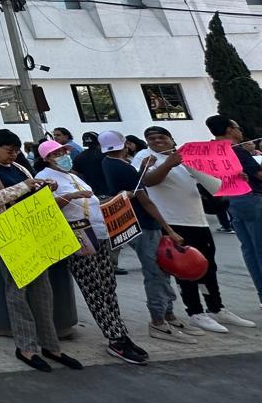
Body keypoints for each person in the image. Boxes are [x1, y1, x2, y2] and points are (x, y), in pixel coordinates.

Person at [0, 129, 81, 374]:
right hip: (9, 237)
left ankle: (50, 345)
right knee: (17, 293)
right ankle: (26, 347)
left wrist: (44, 188)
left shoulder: (20, 169)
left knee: (43, 291)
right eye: (8, 150)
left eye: (16, 150)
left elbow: (30, 195)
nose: (13, 155)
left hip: (33, 233)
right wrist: (26, 185)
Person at [34, 141, 149, 364]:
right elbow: (44, 207)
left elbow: (92, 201)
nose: (63, 155)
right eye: (57, 153)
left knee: (107, 285)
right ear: (47, 157)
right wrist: (70, 198)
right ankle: (115, 337)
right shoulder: (45, 177)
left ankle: (120, 332)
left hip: (99, 233)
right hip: (78, 236)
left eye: (64, 151)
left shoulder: (72, 176)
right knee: (93, 287)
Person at [134, 126, 254, 332]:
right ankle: (195, 312)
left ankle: (216, 307)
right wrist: (169, 164)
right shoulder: (145, 157)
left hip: (197, 220)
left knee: (208, 267)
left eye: (161, 137)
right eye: (151, 139)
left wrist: (235, 177)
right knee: (186, 269)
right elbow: (148, 181)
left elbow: (214, 184)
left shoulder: (187, 157)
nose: (156, 141)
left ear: (172, 139)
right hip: (173, 222)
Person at [98, 131, 195, 342]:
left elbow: (135, 183)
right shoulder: (122, 168)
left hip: (134, 224)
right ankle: (158, 320)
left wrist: (141, 169)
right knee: (156, 272)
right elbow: (146, 201)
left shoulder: (110, 163)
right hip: (145, 224)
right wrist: (168, 229)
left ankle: (168, 314)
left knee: (161, 268)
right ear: (126, 144)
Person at [206, 115, 262, 304]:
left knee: (250, 249)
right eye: (237, 127)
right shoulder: (235, 151)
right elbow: (258, 174)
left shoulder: (214, 151)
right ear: (229, 129)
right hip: (251, 198)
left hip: (233, 201)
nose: (241, 131)